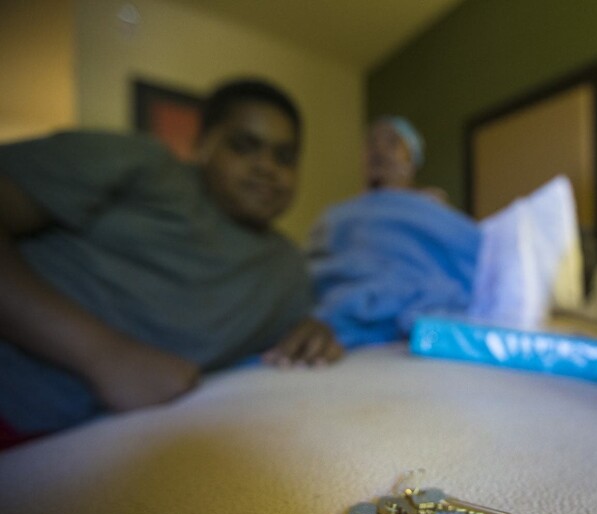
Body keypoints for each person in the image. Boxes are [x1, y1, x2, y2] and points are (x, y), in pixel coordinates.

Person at [0, 78, 343, 448]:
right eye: (244, 146)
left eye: (285, 156)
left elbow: (295, 337)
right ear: (202, 144)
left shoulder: (288, 269)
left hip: (68, 445)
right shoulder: (142, 165)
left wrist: (313, 333)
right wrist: (103, 355)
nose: (266, 167)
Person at [308, 116, 480, 348]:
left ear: (413, 157)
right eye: (372, 143)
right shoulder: (339, 216)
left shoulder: (432, 211)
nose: (379, 149)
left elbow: (471, 260)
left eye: (391, 142)